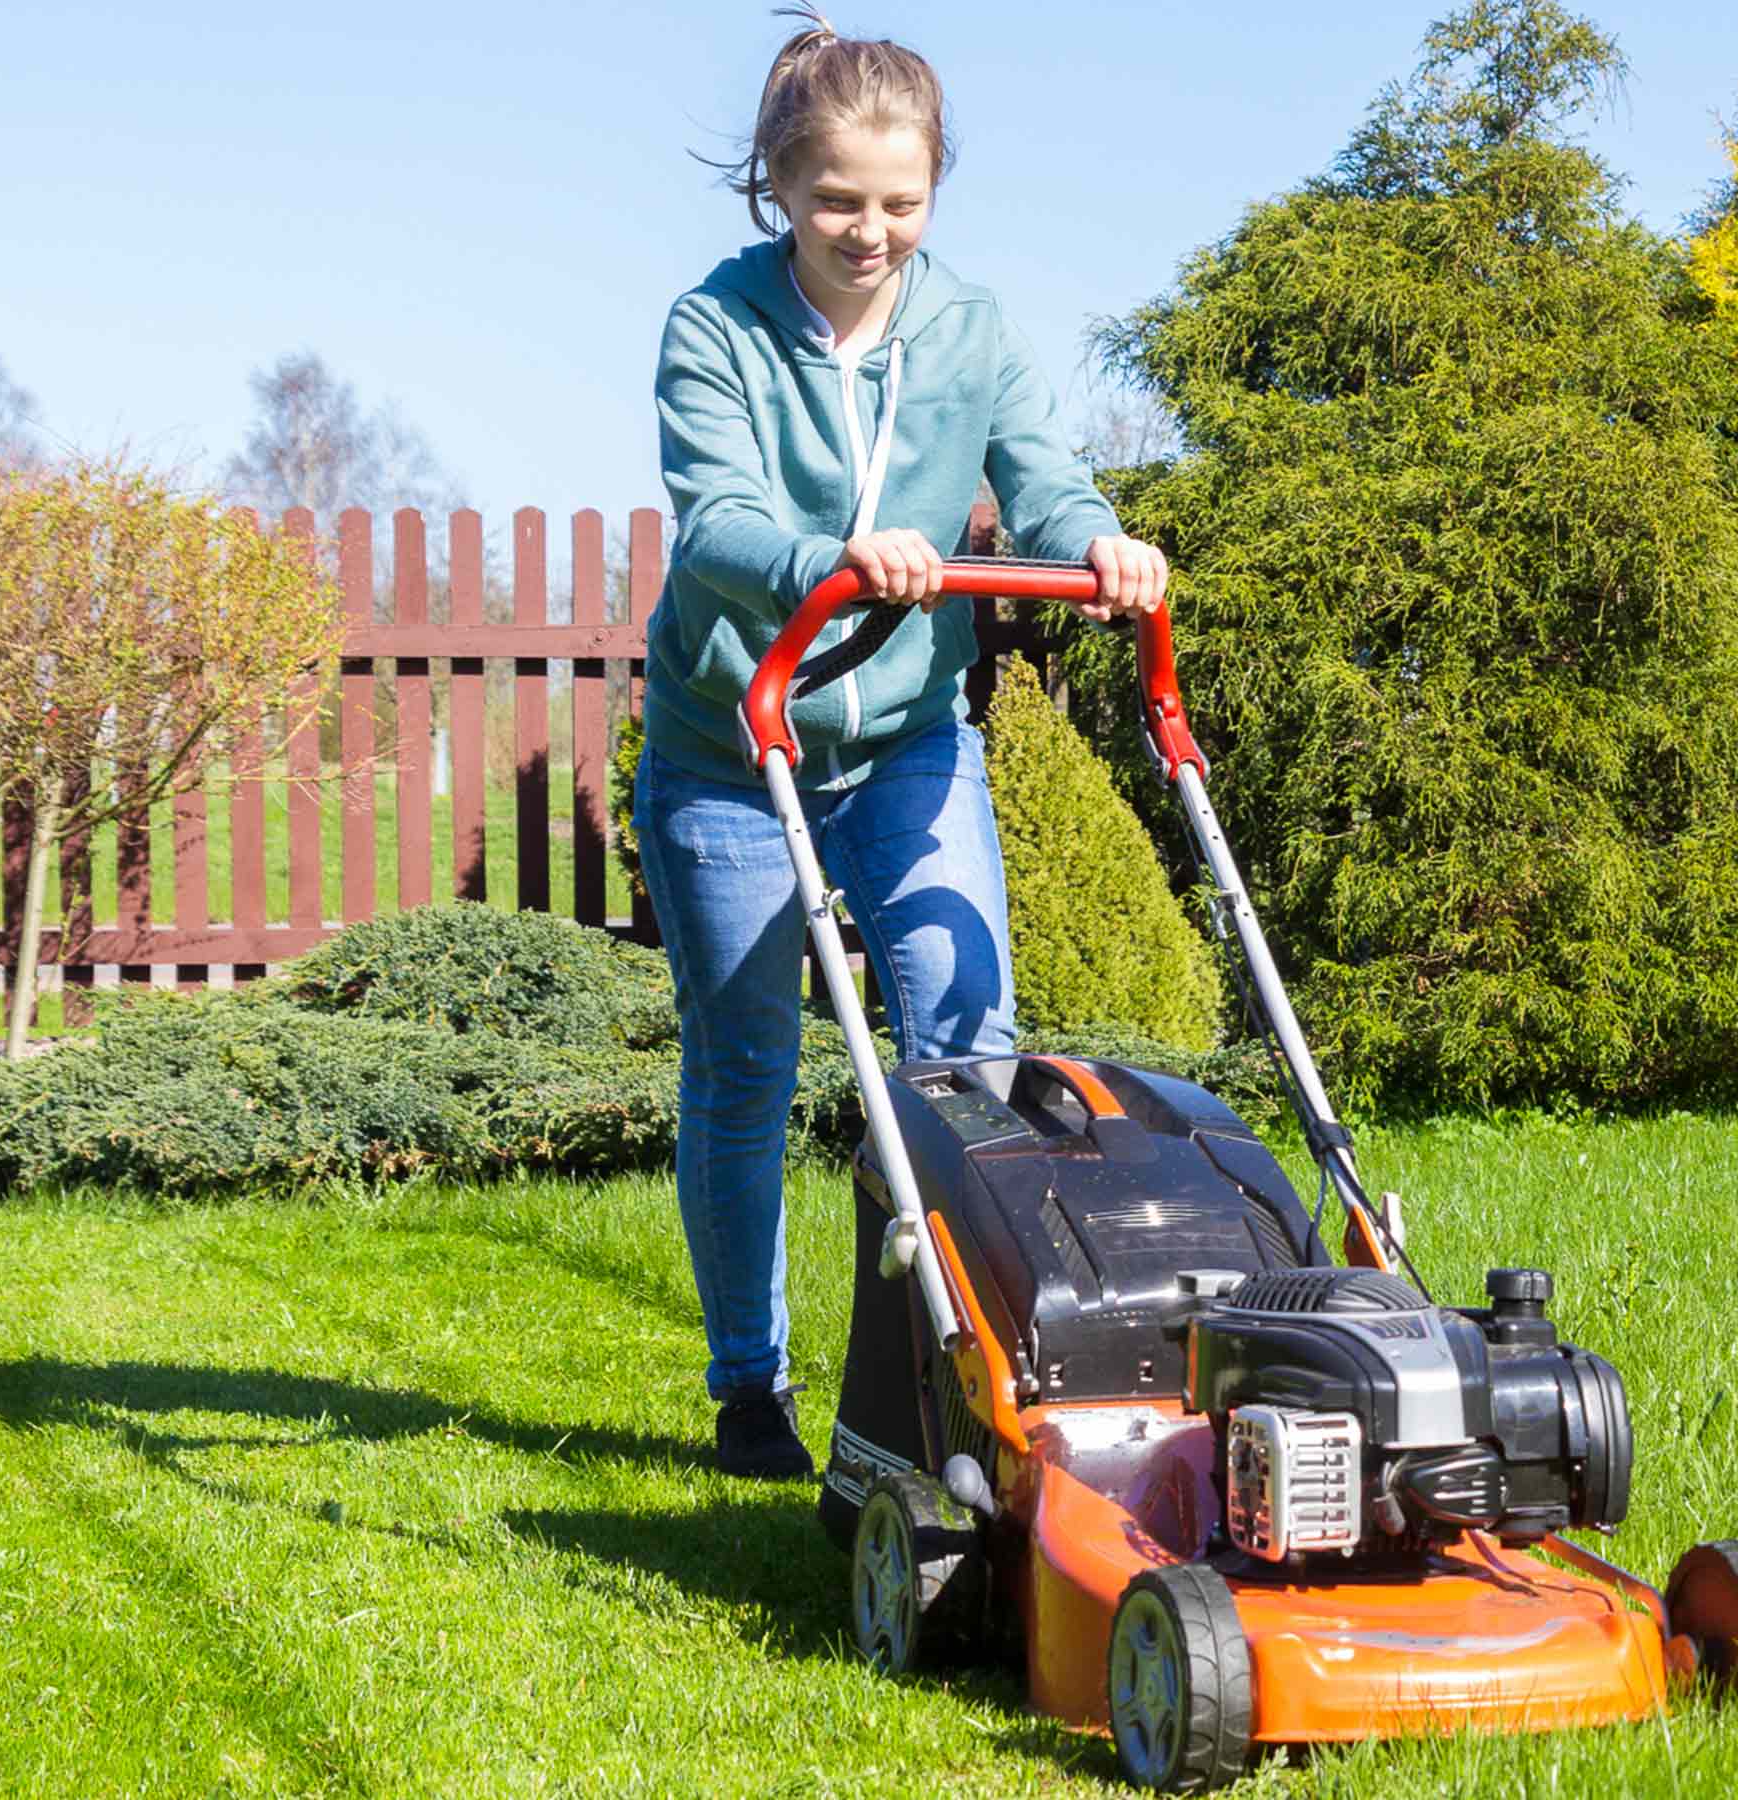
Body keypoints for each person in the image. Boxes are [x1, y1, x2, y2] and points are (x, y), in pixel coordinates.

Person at [638, 8, 1168, 1477]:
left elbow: (1043, 478)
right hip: (733, 745)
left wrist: (1098, 543)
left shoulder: (970, 329)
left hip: (910, 740)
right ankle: (750, 1388)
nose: (870, 234)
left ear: (933, 191)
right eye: (836, 203)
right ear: (778, 187)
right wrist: (834, 557)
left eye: (900, 203)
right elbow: (717, 521)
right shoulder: (714, 327)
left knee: (966, 1044)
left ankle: (945, 1376)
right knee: (745, 1067)